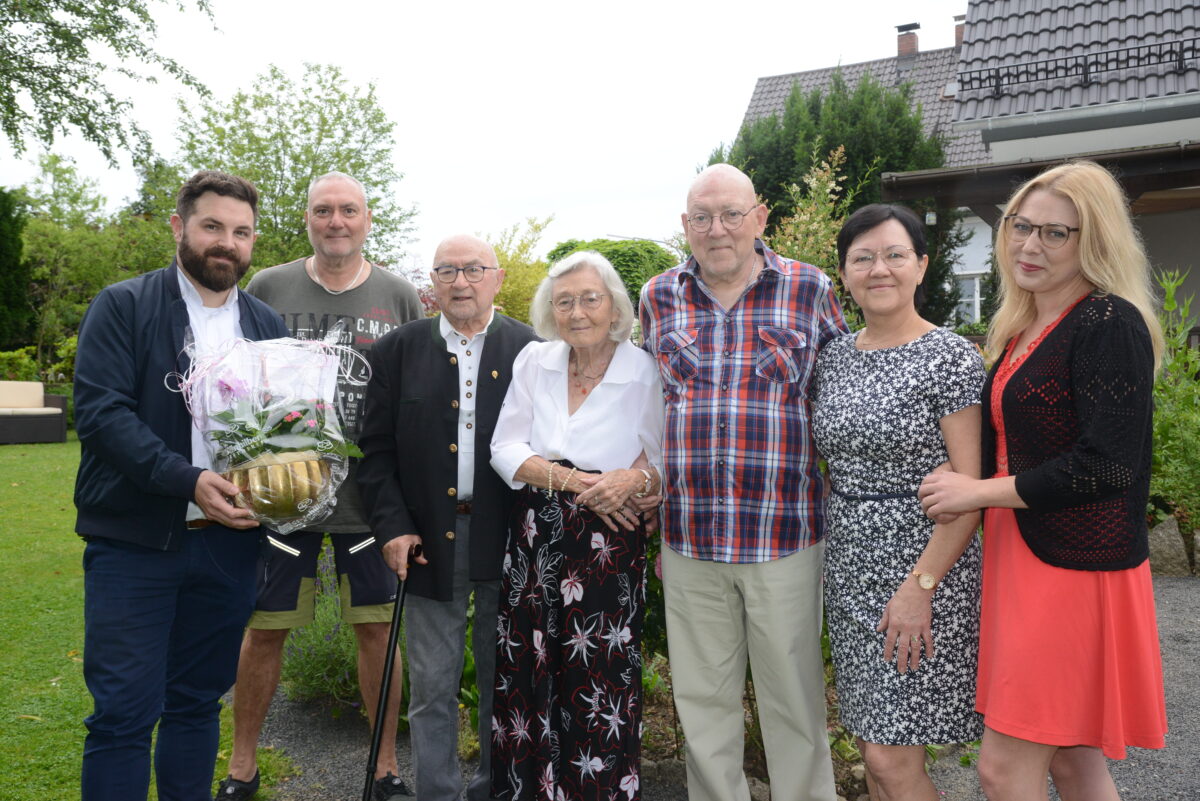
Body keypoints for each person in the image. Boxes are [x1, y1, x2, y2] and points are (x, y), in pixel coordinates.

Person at [918, 160, 1168, 801]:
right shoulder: (1023, 326)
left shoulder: (1108, 322)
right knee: (1074, 764)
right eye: (1021, 227)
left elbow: (1108, 464)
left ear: (1096, 240)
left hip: (1072, 570)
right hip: (1025, 555)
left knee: (1004, 768)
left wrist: (976, 492)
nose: (1030, 245)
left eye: (1057, 233)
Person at [73, 171, 289, 801]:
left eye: (241, 232)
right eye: (213, 226)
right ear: (179, 228)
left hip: (228, 547)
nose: (228, 243)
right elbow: (102, 415)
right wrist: (189, 480)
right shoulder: (125, 306)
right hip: (135, 542)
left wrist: (297, 475)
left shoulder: (266, 322)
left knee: (196, 705)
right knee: (122, 715)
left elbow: (284, 428)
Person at [639, 163, 846, 801]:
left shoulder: (809, 290)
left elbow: (842, 402)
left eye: (731, 214)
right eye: (701, 217)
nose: (717, 229)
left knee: (795, 704)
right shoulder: (657, 297)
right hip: (690, 540)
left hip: (783, 537)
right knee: (701, 705)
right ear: (685, 226)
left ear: (760, 218)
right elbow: (645, 412)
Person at [219, 171, 423, 801]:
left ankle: (385, 768)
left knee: (376, 631)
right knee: (265, 630)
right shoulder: (268, 286)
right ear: (307, 218)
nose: (337, 221)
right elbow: (233, 381)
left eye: (349, 210)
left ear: (368, 218)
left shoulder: (398, 296)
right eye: (323, 211)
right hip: (283, 498)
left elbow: (413, 395)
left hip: (370, 502)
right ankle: (241, 767)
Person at [811, 203, 985, 801]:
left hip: (922, 564)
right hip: (850, 565)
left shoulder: (951, 356)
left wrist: (921, 588)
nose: (878, 268)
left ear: (921, 266)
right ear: (845, 273)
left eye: (893, 255)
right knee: (873, 746)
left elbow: (969, 488)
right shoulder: (832, 356)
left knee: (890, 760)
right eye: (862, 257)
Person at [357, 234, 539, 801]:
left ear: (497, 277)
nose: (461, 282)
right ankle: (438, 792)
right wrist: (392, 526)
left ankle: (493, 790)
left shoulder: (531, 350)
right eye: (446, 271)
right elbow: (375, 452)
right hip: (428, 540)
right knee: (432, 685)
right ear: (430, 283)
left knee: (501, 680)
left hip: (508, 538)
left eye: (473, 269)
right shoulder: (396, 351)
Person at [488, 251, 664, 800]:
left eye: (590, 298)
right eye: (564, 301)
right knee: (528, 665)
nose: (578, 310)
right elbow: (504, 449)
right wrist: (579, 483)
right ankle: (529, 789)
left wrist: (632, 484)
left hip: (608, 537)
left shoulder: (645, 368)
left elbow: (662, 460)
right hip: (537, 533)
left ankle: (599, 790)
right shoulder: (533, 360)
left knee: (599, 672)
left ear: (614, 307)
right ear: (551, 311)